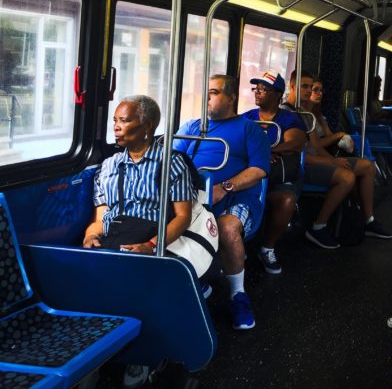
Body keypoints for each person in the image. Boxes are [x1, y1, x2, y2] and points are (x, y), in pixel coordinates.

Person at [174, 75, 271, 330]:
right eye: (205, 91)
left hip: (236, 197)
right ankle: (195, 279)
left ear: (231, 98)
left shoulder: (249, 129)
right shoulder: (192, 128)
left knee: (227, 229)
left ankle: (238, 295)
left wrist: (225, 186)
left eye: (214, 92)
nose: (207, 97)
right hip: (193, 196)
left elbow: (259, 170)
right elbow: (173, 161)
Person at [285, 70, 392, 248]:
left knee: (367, 166)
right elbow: (300, 153)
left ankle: (369, 220)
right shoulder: (286, 114)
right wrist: (332, 162)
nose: (309, 91)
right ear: (292, 86)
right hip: (300, 165)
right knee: (347, 177)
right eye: (305, 87)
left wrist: (333, 161)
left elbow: (316, 146)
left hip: (314, 159)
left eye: (310, 87)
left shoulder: (307, 115)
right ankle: (318, 226)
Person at [84, 95, 194, 254]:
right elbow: (100, 219)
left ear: (147, 125)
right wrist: (91, 236)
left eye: (124, 120)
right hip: (112, 241)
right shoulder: (108, 166)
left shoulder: (171, 163)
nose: (116, 127)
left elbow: (183, 217)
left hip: (152, 241)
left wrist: (151, 246)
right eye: (115, 121)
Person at [241, 69, 307, 275]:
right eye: (257, 88)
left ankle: (267, 248)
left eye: (265, 89)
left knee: (286, 200)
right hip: (251, 177)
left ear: (278, 95)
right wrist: (261, 153)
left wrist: (268, 150)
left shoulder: (288, 119)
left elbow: (296, 143)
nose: (258, 92)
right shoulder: (247, 117)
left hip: (278, 178)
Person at [308, 78, 355, 154]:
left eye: (321, 90)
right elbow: (316, 144)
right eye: (315, 90)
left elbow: (328, 135)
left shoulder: (318, 113)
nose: (320, 93)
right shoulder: (306, 115)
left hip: (326, 149)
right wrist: (340, 134)